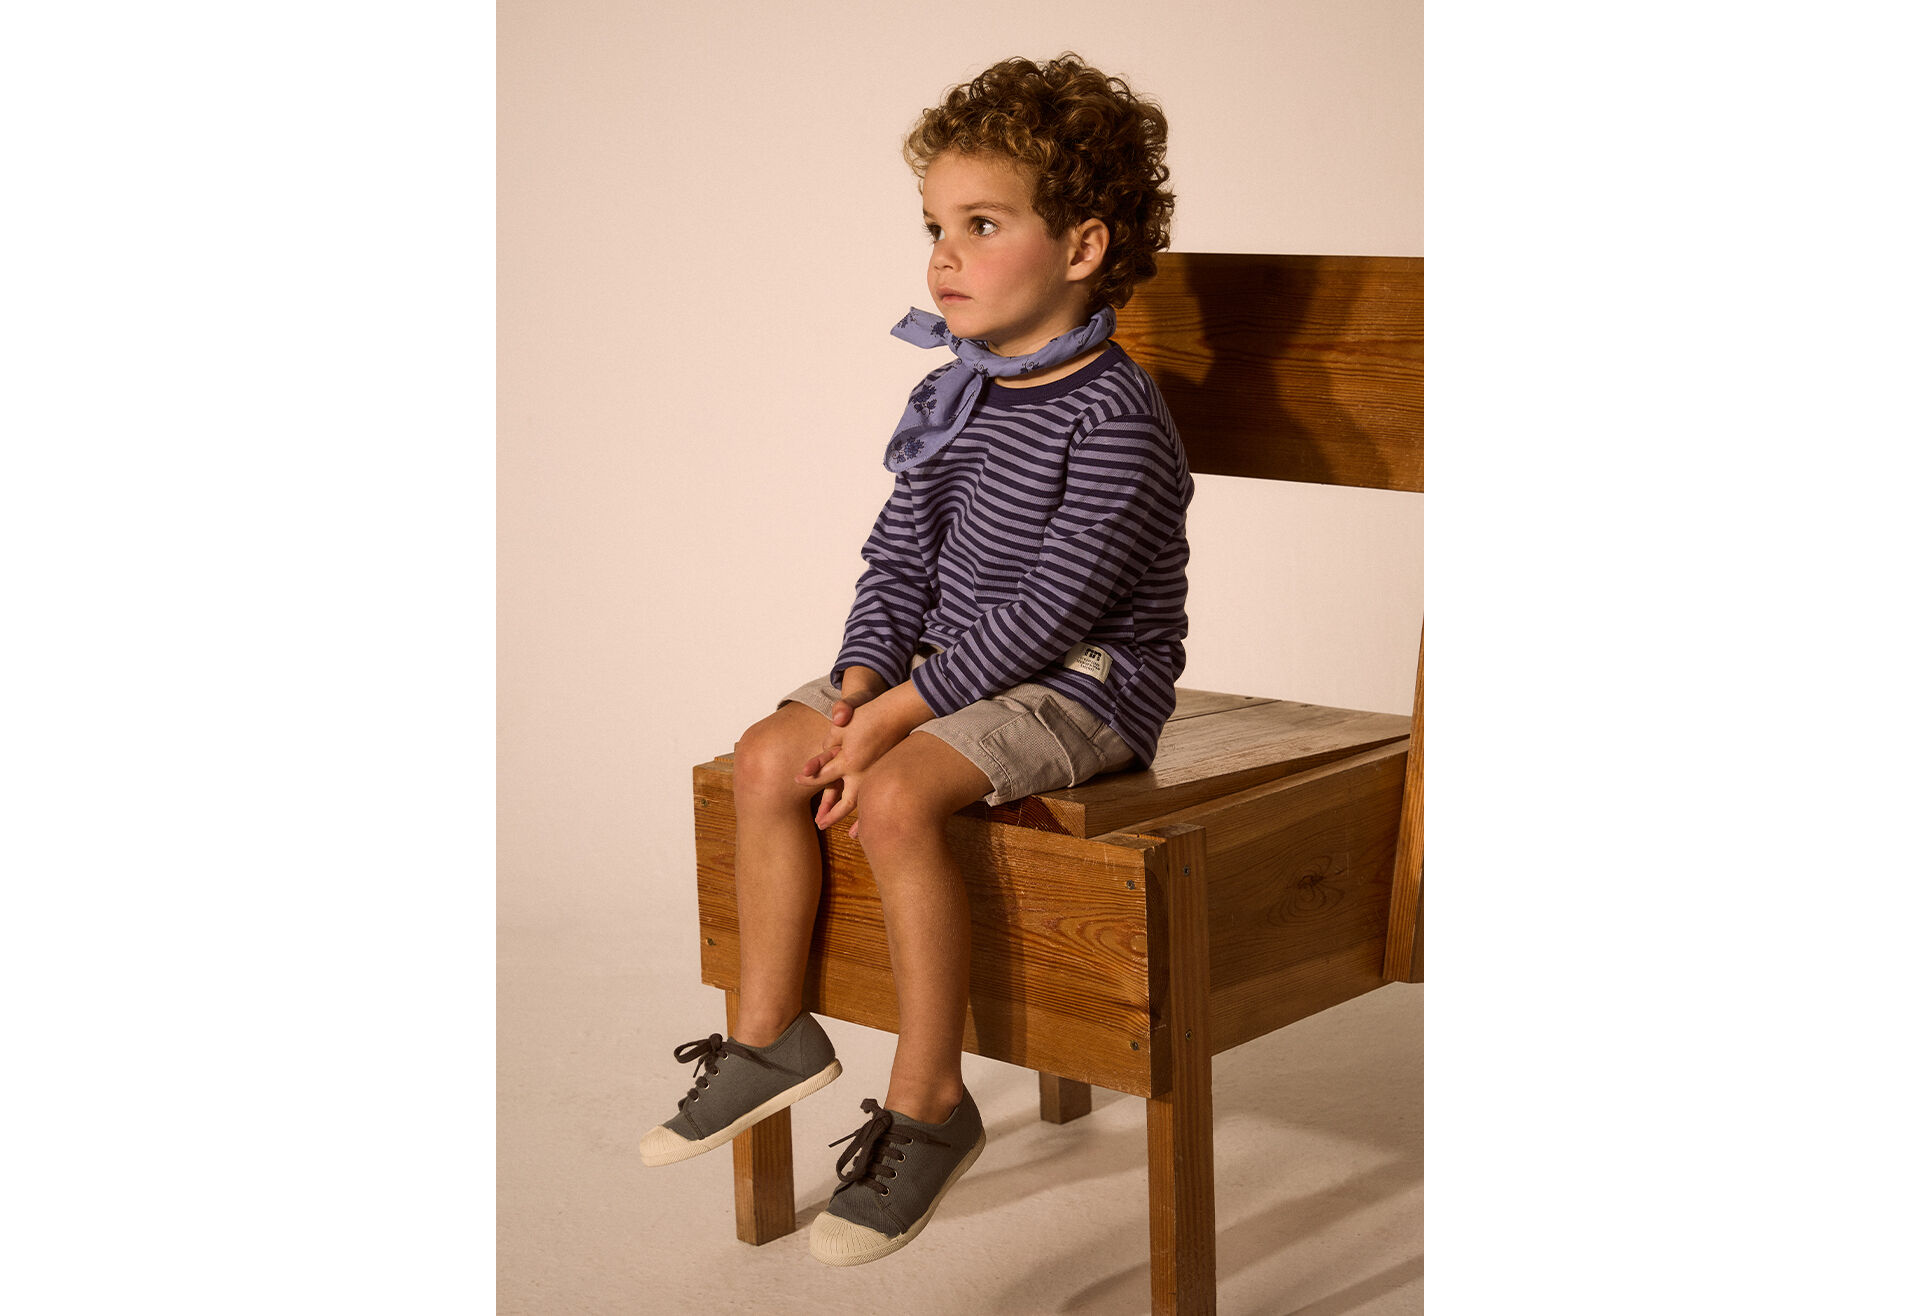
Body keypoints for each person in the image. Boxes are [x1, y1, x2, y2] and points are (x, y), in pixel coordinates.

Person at [641, 52, 1191, 1268]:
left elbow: (1054, 609)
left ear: (1083, 246)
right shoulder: (957, 392)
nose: (944, 254)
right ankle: (771, 1035)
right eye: (935, 226)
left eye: (981, 225)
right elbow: (898, 558)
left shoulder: (1115, 415)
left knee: (892, 797)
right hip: (946, 665)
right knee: (767, 753)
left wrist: (896, 718)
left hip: (1085, 679)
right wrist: (859, 683)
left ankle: (932, 1100)